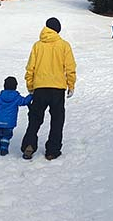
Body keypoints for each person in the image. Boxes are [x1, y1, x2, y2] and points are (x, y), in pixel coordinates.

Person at [21, 17, 77, 161]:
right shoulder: (64, 45)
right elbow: (70, 68)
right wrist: (71, 85)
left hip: (40, 88)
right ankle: (52, 150)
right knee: (57, 120)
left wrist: (30, 86)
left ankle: (29, 145)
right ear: (57, 30)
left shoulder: (37, 46)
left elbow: (30, 68)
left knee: (35, 118)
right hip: (58, 89)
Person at [0, 76, 33, 156]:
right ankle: (3, 149)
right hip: (9, 123)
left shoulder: (0, 97)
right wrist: (31, 95)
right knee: (6, 136)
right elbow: (24, 101)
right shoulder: (16, 97)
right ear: (15, 86)